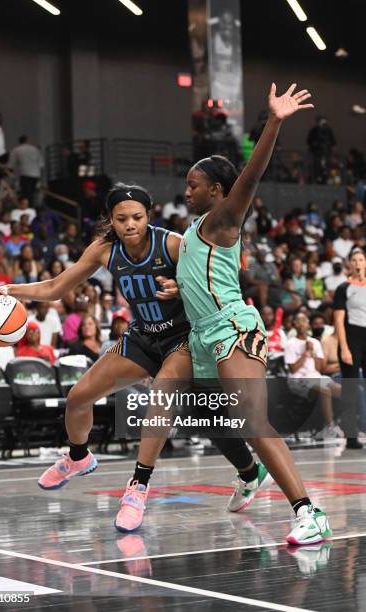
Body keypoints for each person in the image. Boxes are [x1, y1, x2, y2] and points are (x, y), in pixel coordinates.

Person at [0, 183, 270, 534]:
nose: (130, 224)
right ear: (110, 220)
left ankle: (138, 487)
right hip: (144, 336)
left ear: (149, 215)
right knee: (80, 397)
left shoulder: (173, 244)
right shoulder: (104, 250)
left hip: (185, 339)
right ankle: (78, 456)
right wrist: (8, 289)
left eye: (137, 217)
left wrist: (181, 287)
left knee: (173, 400)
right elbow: (56, 287)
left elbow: (215, 281)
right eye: (121, 219)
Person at [176, 83, 332, 545]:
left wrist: (274, 123)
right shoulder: (192, 230)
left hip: (232, 330)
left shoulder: (222, 219)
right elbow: (196, 277)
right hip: (202, 333)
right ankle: (249, 470)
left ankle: (309, 511)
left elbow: (251, 178)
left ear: (217, 191)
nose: (186, 192)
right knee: (196, 410)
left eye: (194, 185)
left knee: (249, 418)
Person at [284, 313, 342, 441]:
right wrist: (305, 353)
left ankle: (339, 422)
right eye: (298, 321)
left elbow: (319, 368)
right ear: (294, 325)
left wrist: (313, 351)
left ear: (308, 324)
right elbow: (293, 369)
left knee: (343, 390)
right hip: (298, 380)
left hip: (316, 377)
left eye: (304, 321)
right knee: (324, 390)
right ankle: (330, 427)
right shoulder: (291, 343)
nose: (301, 324)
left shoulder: (315, 342)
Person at [334, 247, 366, 449]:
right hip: (351, 338)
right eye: (354, 259)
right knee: (351, 389)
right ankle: (351, 437)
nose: (358, 263)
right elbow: (338, 320)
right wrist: (345, 348)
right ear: (350, 264)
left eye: (361, 259)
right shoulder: (343, 288)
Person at [8, 135, 43, 202]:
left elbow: (11, 165)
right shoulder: (35, 149)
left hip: (25, 174)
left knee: (26, 194)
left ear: (19, 141)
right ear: (27, 141)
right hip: (36, 174)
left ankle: (28, 207)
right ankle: (32, 208)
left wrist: (11, 175)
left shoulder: (16, 150)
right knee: (32, 193)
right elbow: (41, 164)